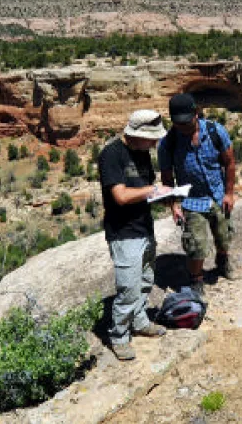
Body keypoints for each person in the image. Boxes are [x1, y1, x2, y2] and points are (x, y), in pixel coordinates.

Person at [98, 109, 172, 361]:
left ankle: (140, 323)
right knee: (128, 288)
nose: (155, 143)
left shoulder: (142, 154)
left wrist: (169, 197)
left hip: (144, 227)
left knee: (144, 281)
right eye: (151, 138)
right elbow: (120, 196)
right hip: (124, 232)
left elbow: (144, 193)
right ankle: (118, 336)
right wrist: (153, 189)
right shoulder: (112, 154)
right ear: (136, 134)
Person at [159, 93, 237, 297]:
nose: (183, 127)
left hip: (218, 195)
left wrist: (229, 193)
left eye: (187, 122)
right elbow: (167, 178)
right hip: (192, 200)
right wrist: (174, 206)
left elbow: (229, 163)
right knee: (196, 245)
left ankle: (222, 260)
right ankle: (196, 281)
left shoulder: (215, 131)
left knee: (224, 235)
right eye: (178, 124)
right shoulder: (168, 143)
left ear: (196, 113)